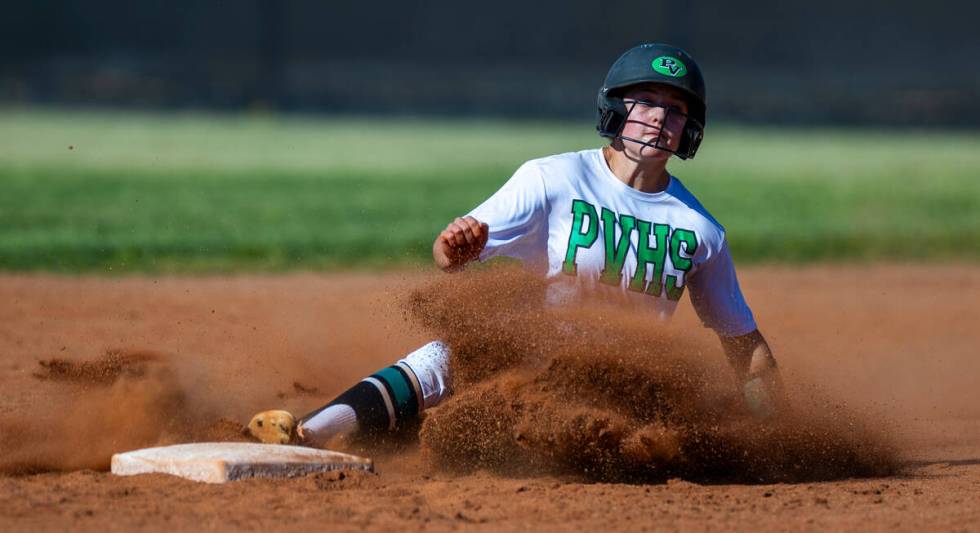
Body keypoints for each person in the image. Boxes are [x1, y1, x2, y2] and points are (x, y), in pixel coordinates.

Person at [246, 43, 787, 448]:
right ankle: (308, 435)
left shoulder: (700, 231)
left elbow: (744, 344)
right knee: (447, 356)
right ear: (616, 111)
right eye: (645, 102)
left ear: (688, 130)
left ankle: (411, 433)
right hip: (534, 360)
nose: (659, 119)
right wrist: (454, 247)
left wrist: (780, 428)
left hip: (622, 389)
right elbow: (447, 256)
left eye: (675, 110)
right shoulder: (552, 179)